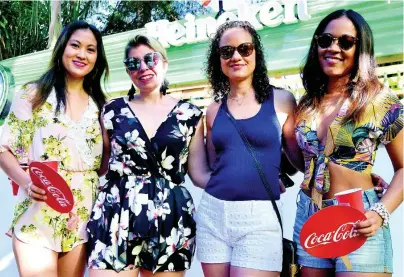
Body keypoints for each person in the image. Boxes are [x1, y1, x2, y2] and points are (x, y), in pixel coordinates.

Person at [86, 34, 209, 277]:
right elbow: (98, 165)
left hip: (170, 215)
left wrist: (246, 183)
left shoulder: (190, 113)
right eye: (133, 63)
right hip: (116, 213)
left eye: (150, 59)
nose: (142, 67)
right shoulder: (111, 111)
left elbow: (199, 173)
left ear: (164, 62)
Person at [293, 9, 403, 276]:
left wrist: (380, 212)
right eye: (325, 40)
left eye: (345, 42)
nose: (334, 48)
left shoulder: (380, 100)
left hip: (358, 218)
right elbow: (306, 160)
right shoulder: (307, 102)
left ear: (361, 49)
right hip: (310, 215)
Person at [0, 20, 109, 277]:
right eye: (75, 45)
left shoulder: (102, 106)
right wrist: (26, 182)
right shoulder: (33, 94)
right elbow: (4, 149)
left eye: (91, 49)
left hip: (82, 212)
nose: (82, 54)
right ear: (62, 49)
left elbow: (102, 167)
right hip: (38, 208)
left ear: (98, 58)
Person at [195, 20, 303, 277]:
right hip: (213, 214)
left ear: (256, 53)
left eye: (244, 49)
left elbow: (300, 159)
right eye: (226, 51)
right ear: (218, 59)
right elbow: (214, 165)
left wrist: (352, 173)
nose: (236, 56)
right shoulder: (212, 111)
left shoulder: (282, 100)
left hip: (259, 217)